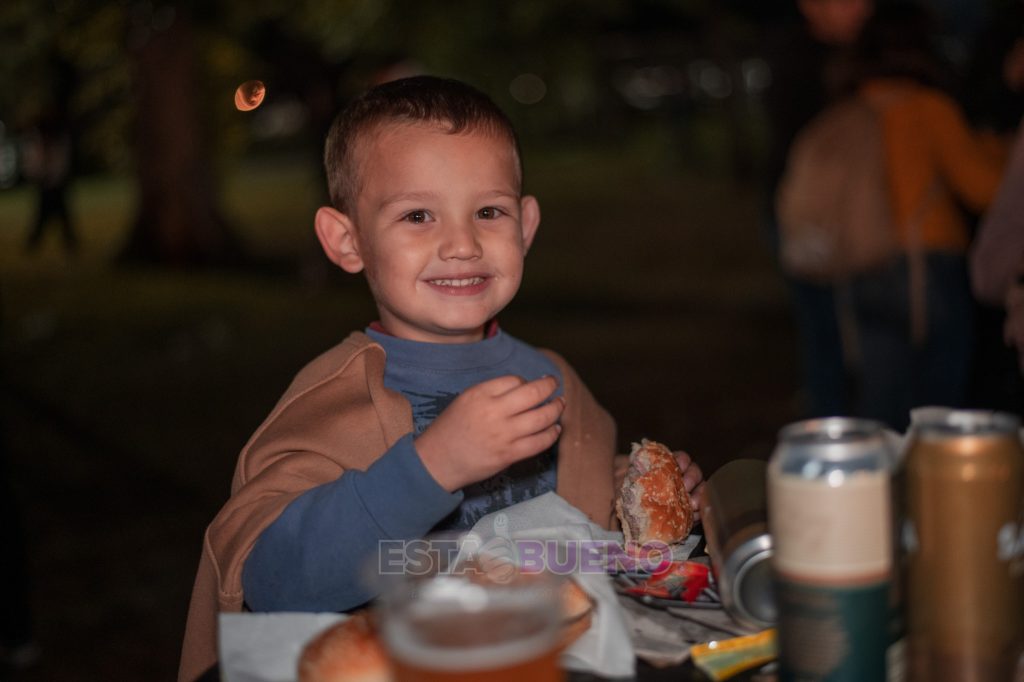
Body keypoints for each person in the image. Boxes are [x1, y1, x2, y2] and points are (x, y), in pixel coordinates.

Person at [178, 76, 705, 681]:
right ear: (347, 240)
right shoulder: (334, 403)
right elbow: (272, 580)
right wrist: (431, 468)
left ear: (525, 227)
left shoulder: (551, 379)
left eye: (488, 211)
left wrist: (637, 499)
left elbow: (572, 519)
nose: (461, 243)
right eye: (418, 215)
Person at [840, 1, 1004, 430]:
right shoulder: (928, 107)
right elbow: (984, 188)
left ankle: (873, 492)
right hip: (930, 267)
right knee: (937, 406)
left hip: (864, 266)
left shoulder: (853, 108)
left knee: (880, 400)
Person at [762, 0, 874, 418]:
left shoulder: (865, 52)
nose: (862, 8)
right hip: (809, 217)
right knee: (825, 331)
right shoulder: (801, 60)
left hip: (852, 219)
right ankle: (832, 428)